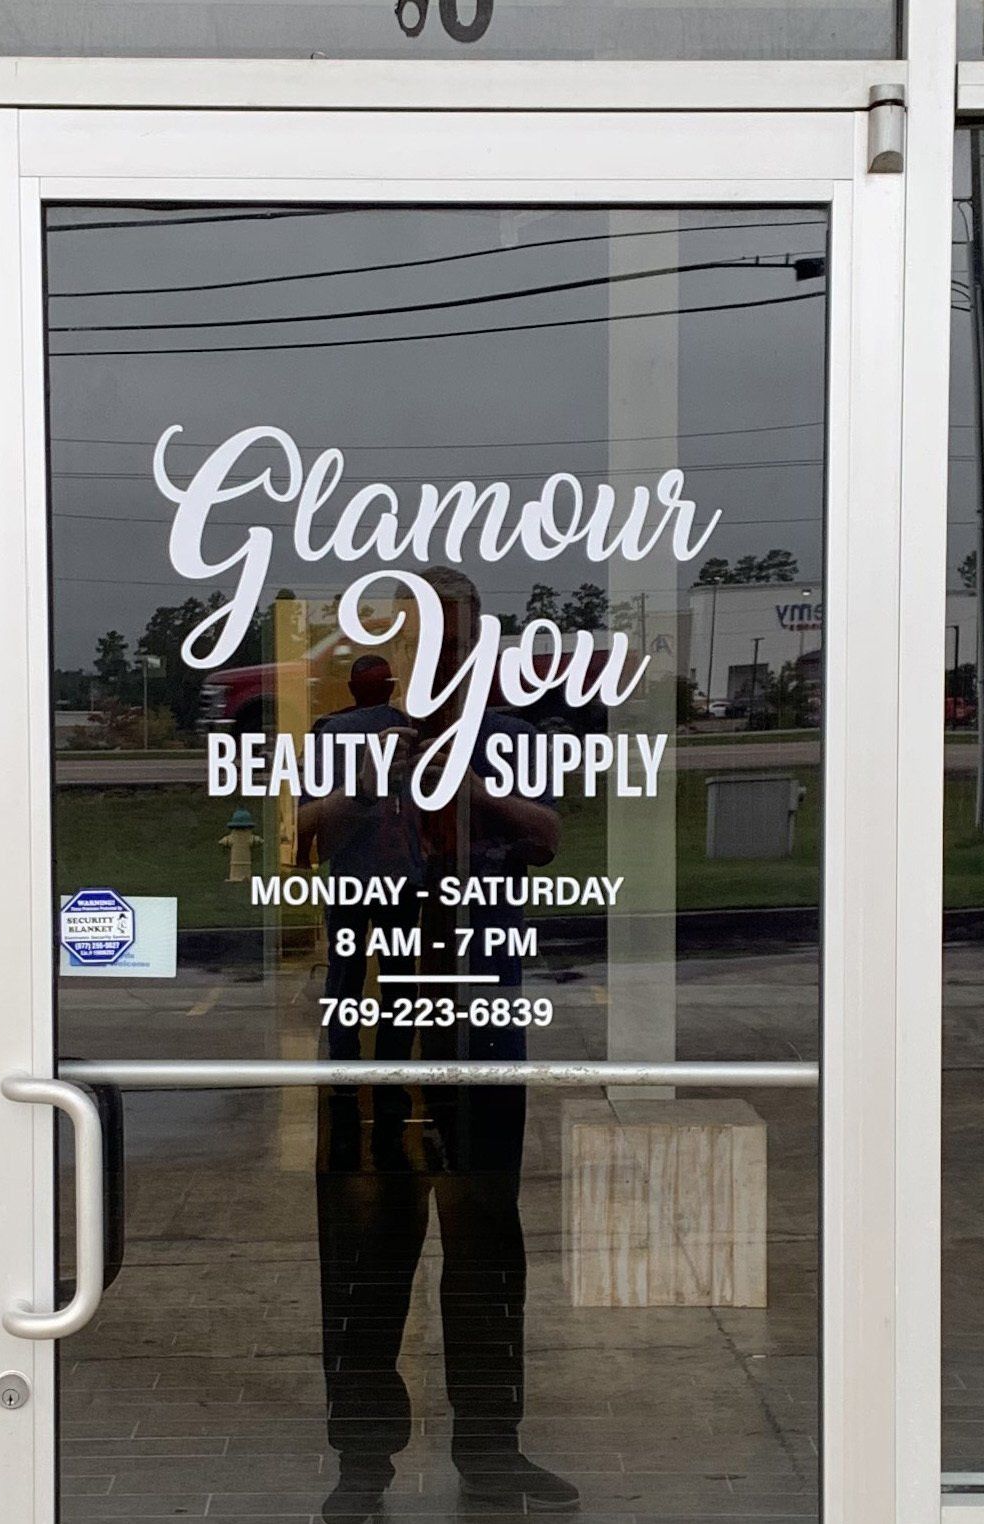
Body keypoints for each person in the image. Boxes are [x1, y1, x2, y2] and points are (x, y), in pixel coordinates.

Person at [314, 568, 579, 1522]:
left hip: (479, 1024)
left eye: (459, 637)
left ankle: (492, 1454)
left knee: (484, 1245)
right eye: (424, 636)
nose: (442, 653)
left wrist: (465, 785)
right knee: (364, 1248)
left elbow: (549, 837)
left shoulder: (512, 736)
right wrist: (373, 787)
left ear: (478, 645)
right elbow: (292, 839)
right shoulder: (345, 734)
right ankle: (361, 1466)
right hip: (371, 1019)